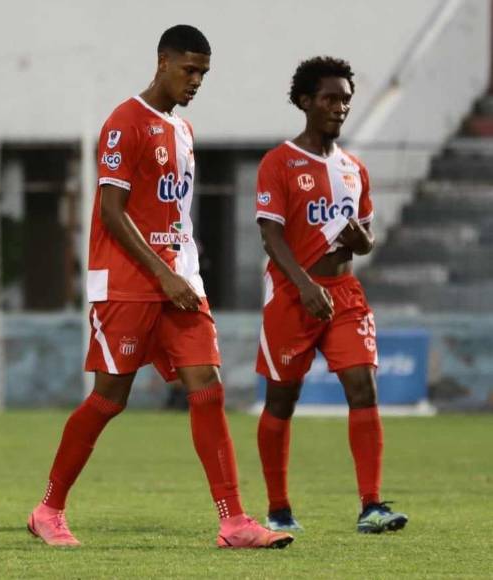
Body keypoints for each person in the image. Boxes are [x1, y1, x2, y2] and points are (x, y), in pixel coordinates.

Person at [27, 25, 292, 549]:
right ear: (162, 61)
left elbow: (176, 214)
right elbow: (110, 211)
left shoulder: (183, 130)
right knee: (109, 398)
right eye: (189, 70)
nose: (196, 81)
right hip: (127, 284)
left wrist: (185, 272)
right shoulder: (125, 123)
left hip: (178, 280)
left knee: (208, 387)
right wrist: (162, 273)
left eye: (203, 74)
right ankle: (48, 509)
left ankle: (234, 521)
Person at [254, 56, 408, 535]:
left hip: (344, 293)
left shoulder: (354, 169)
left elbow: (364, 232)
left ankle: (372, 506)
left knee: (363, 388)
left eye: (345, 98)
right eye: (329, 97)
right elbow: (270, 235)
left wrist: (365, 242)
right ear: (305, 102)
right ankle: (278, 509)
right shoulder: (278, 162)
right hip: (291, 293)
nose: (340, 106)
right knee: (282, 400)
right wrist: (304, 285)